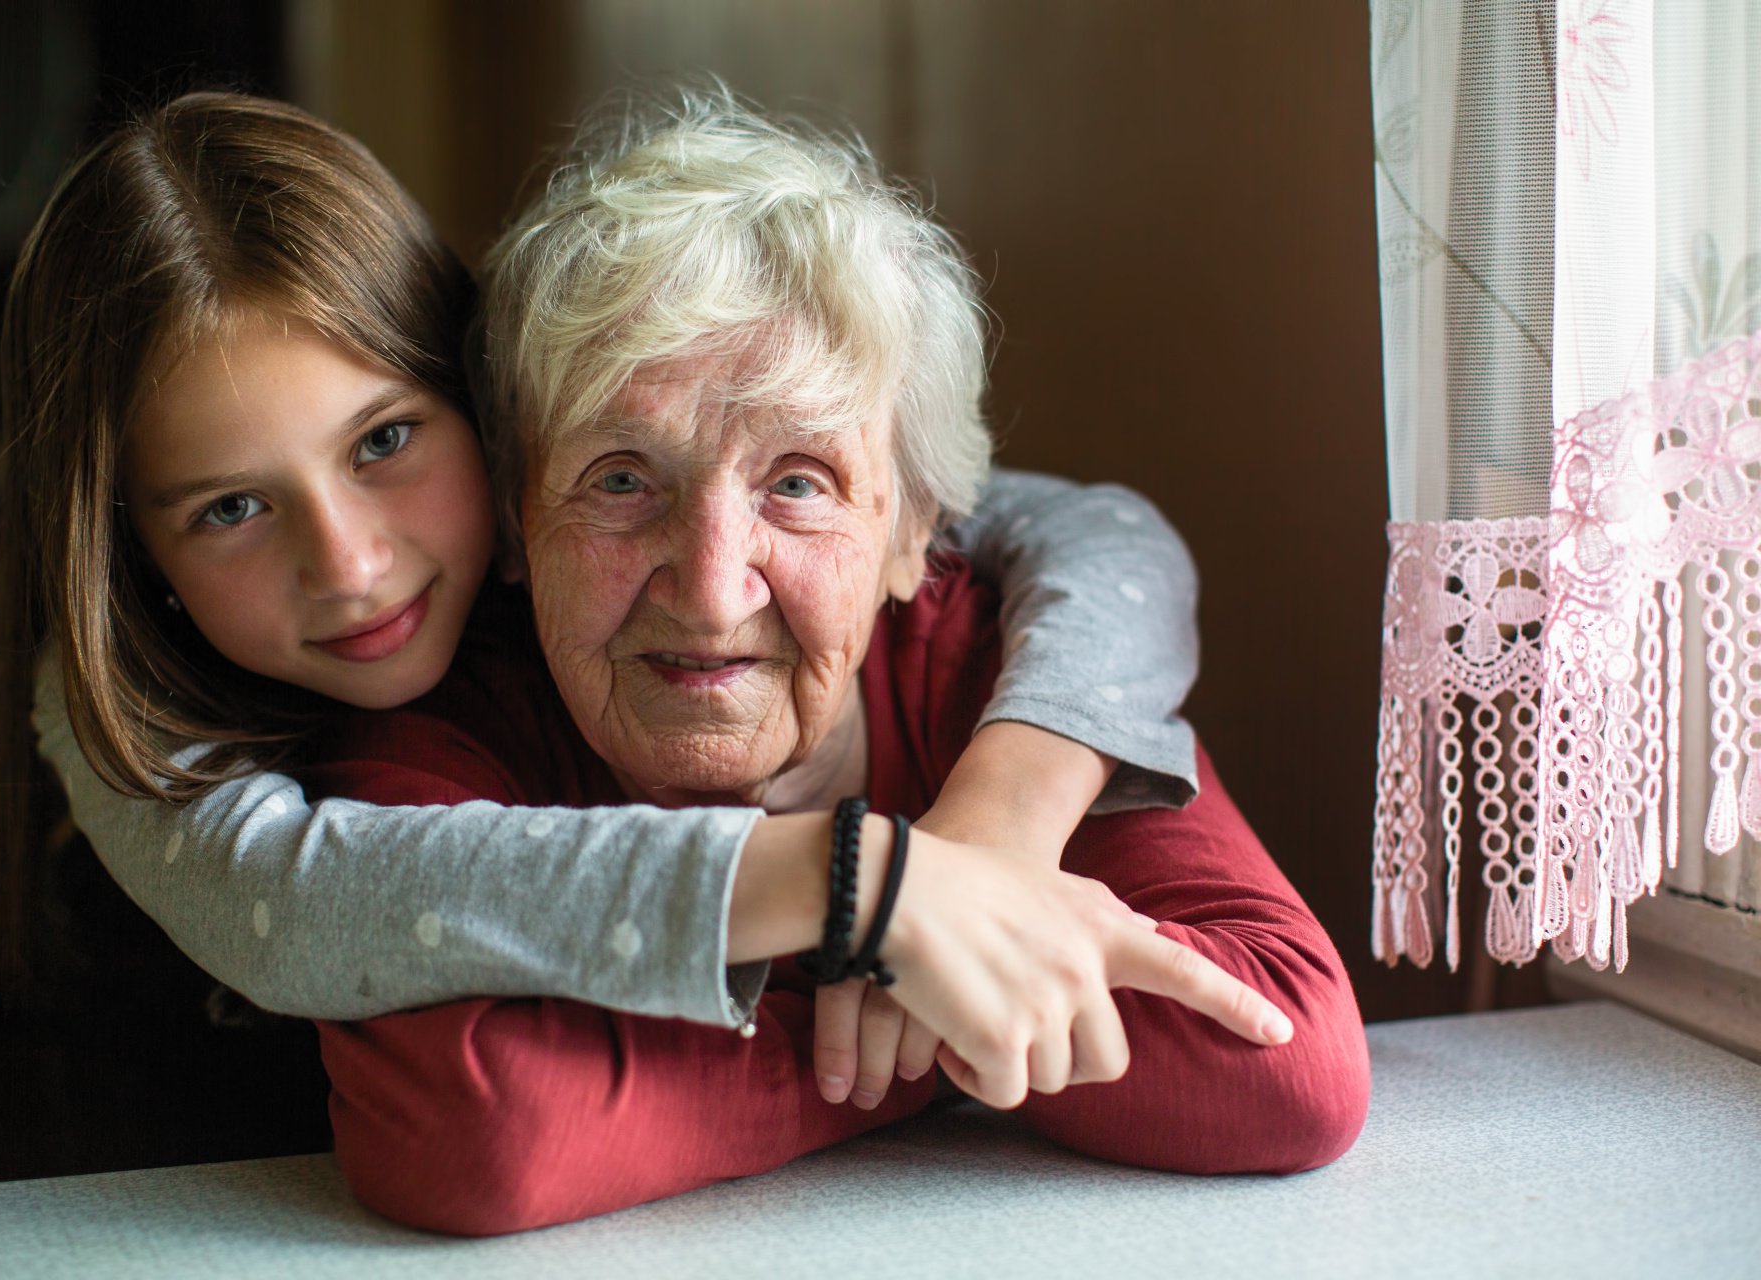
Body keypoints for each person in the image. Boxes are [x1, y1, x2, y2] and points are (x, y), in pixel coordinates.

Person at [0, 93, 1222, 1103]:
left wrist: (1000, 819)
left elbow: (1097, 533)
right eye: (230, 507)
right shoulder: (121, 712)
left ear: (487, 421)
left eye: (385, 441)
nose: (350, 564)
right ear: (126, 552)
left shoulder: (577, 535)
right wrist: (859, 884)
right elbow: (295, 908)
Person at [292, 87, 1371, 1235]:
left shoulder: (998, 672)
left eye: (797, 483)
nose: (711, 588)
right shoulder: (445, 723)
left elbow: (1288, 1059)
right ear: (513, 523)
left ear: (915, 534)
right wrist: (931, 961)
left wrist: (916, 961)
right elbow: (487, 1134)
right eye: (620, 478)